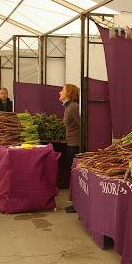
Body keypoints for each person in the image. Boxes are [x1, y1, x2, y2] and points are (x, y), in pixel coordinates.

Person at [59, 84, 80, 213]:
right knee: (72, 173)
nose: (59, 92)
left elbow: (83, 125)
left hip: (75, 145)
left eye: (62, 90)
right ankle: (75, 202)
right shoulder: (69, 107)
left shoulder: (73, 107)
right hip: (71, 143)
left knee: (75, 174)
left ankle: (77, 203)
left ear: (69, 93)